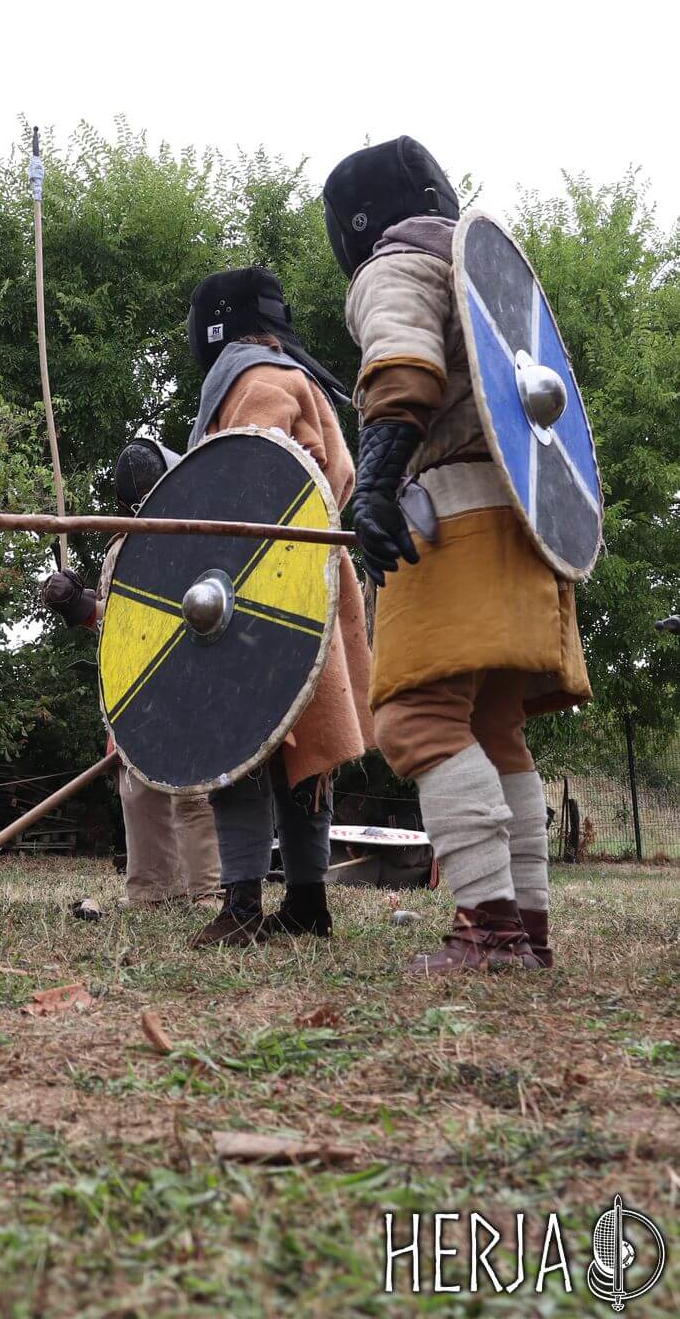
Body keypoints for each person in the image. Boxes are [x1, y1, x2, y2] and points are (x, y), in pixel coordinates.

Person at [322, 135, 592, 974]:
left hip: (453, 521)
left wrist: (373, 483)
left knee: (416, 718)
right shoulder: (474, 274)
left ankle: (489, 930)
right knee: (491, 725)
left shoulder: (396, 264)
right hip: (529, 525)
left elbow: (403, 366)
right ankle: (526, 931)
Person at [183, 265, 374, 946]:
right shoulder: (296, 378)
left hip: (261, 586)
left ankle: (242, 905)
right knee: (304, 751)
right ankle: (306, 903)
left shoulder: (255, 380)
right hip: (310, 581)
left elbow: (254, 483)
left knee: (236, 742)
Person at [42, 439, 222, 908]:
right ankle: (153, 891)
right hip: (137, 685)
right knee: (139, 788)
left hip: (189, 676)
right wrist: (78, 604)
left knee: (191, 788)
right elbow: (119, 621)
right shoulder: (120, 549)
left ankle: (208, 891)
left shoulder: (198, 536)